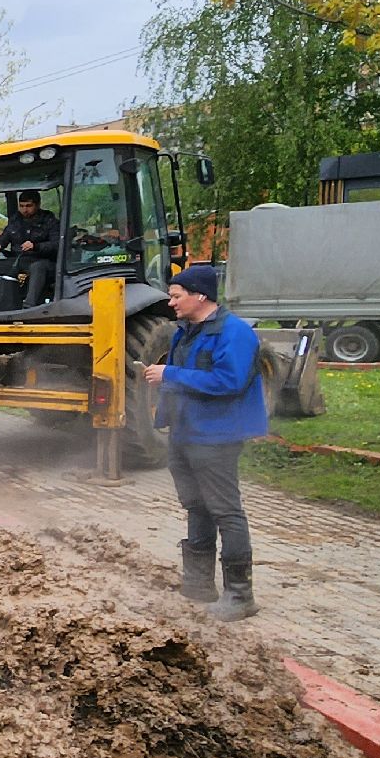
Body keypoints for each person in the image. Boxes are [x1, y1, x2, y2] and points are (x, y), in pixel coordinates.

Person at [140, 264, 269, 621]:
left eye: (176, 295)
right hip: (186, 433)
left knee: (225, 511)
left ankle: (241, 596)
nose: (171, 302)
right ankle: (198, 584)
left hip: (217, 436)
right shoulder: (186, 331)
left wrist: (171, 374)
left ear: (200, 295)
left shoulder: (235, 333)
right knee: (197, 506)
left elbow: (229, 382)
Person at [0, 190, 61, 307]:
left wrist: (36, 246)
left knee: (38, 267)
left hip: (43, 261)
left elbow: (57, 244)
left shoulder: (49, 221)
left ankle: (29, 304)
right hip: (18, 260)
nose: (25, 210)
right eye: (22, 206)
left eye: (29, 206)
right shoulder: (15, 221)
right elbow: (5, 237)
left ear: (38, 205)